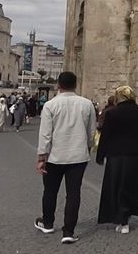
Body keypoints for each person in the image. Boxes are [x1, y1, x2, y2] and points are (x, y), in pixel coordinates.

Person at [35, 71, 97, 244]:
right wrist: (89, 147)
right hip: (78, 155)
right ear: (76, 85)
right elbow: (92, 131)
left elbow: (45, 134)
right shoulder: (87, 104)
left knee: (50, 191)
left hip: (55, 156)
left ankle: (47, 223)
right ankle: (68, 231)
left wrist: (42, 157)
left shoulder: (50, 105)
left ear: (58, 86)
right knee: (74, 193)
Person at [96, 86, 138, 234]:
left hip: (116, 156)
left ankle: (119, 218)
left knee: (116, 186)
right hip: (137, 156)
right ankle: (126, 219)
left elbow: (106, 136)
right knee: (132, 186)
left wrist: (100, 155)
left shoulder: (112, 113)